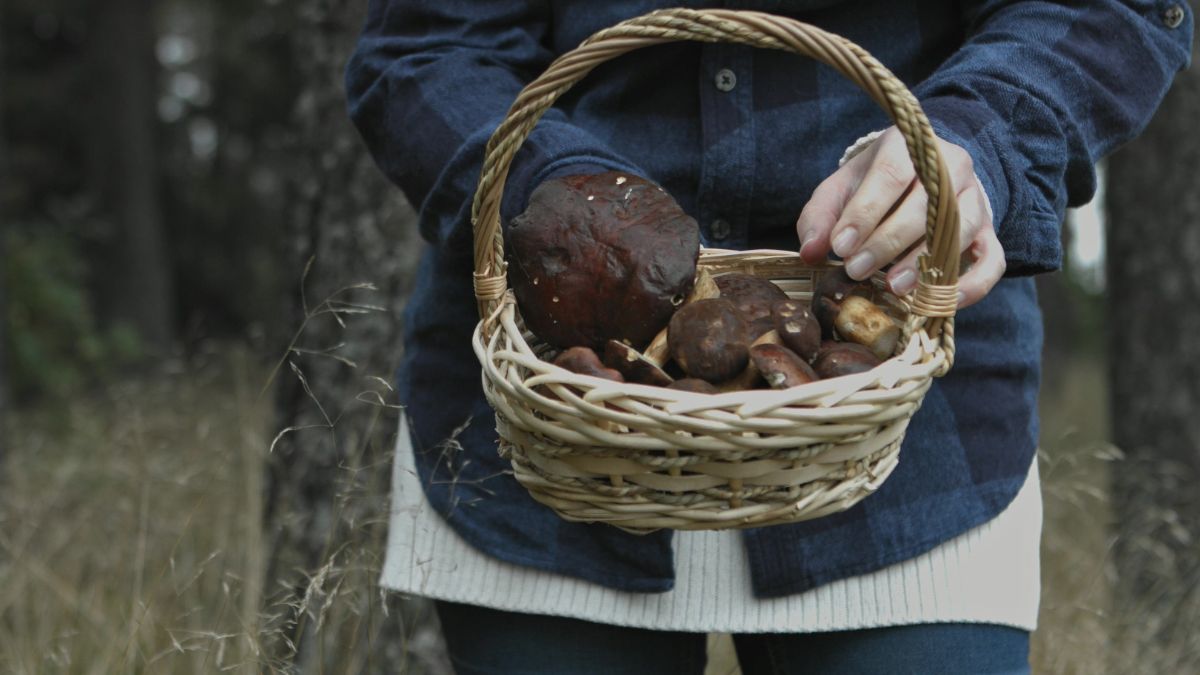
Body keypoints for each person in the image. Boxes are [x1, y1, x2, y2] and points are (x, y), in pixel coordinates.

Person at [345, 2, 1192, 673]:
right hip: (550, 426)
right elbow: (423, 47)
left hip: (916, 441)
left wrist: (986, 138)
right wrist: (570, 206)